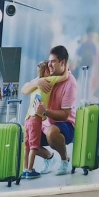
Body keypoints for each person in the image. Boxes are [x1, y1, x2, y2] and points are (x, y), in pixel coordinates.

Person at [21, 45, 76, 175]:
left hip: (65, 125)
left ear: (62, 63)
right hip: (45, 123)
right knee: (25, 138)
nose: (49, 65)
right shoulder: (46, 78)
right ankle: (48, 157)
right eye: (49, 61)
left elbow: (65, 115)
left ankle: (64, 160)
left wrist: (44, 111)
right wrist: (37, 83)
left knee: (52, 132)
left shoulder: (69, 82)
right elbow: (24, 89)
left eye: (53, 62)